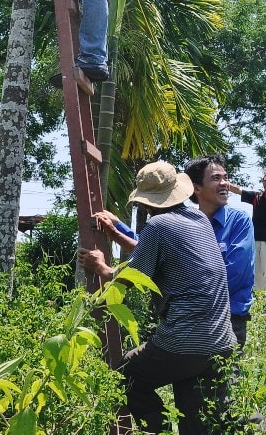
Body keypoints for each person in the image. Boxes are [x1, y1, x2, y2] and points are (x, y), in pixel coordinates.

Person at [78, 161, 237, 435]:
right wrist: (116, 233)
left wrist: (102, 267)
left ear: (146, 202)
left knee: (124, 376)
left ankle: (159, 430)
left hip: (183, 342)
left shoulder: (158, 226)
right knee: (198, 421)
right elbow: (155, 254)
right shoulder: (199, 220)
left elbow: (132, 277)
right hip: (221, 340)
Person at [185, 156, 255, 346]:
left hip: (229, 321)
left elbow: (235, 272)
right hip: (191, 322)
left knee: (227, 375)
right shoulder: (186, 224)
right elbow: (153, 246)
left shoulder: (239, 221)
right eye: (216, 178)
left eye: (225, 177)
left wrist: (188, 294)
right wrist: (117, 229)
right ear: (196, 188)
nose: (225, 183)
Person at [228, 173, 266, 295]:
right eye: (264, 180)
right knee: (256, 272)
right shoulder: (257, 197)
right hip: (254, 239)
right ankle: (258, 301)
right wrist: (226, 184)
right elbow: (239, 191)